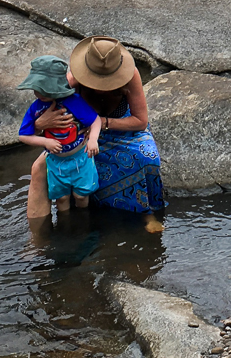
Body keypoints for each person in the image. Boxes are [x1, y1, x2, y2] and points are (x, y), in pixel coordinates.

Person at [25, 36, 166, 232]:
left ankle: (148, 213)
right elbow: (35, 126)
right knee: (38, 168)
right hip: (81, 138)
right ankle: (37, 237)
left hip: (122, 130)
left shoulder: (131, 75)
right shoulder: (70, 81)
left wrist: (103, 123)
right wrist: (41, 123)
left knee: (147, 157)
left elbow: (140, 121)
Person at [17, 55, 102, 212]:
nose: (39, 93)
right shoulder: (36, 108)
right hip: (55, 161)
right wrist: (44, 142)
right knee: (61, 199)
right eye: (36, 89)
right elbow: (23, 135)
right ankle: (65, 227)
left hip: (80, 157)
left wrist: (93, 140)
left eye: (44, 89)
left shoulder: (73, 101)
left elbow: (95, 121)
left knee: (82, 196)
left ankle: (82, 223)